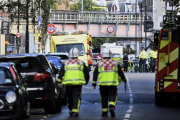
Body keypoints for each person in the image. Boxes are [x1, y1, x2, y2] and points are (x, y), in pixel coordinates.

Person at [92, 48, 127, 117]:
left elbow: (95, 73)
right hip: (112, 84)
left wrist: (94, 83)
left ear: (103, 55)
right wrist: (124, 79)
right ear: (110, 55)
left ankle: (104, 112)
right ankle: (111, 106)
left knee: (103, 97)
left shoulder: (99, 63)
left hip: (102, 84)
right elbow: (120, 72)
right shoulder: (115, 63)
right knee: (113, 95)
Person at [57, 47, 90, 117]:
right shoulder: (81, 63)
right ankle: (75, 110)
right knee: (76, 96)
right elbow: (86, 73)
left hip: (68, 83)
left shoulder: (65, 63)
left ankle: (70, 110)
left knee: (69, 96)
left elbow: (61, 72)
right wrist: (86, 81)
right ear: (77, 54)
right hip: (78, 83)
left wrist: (59, 81)